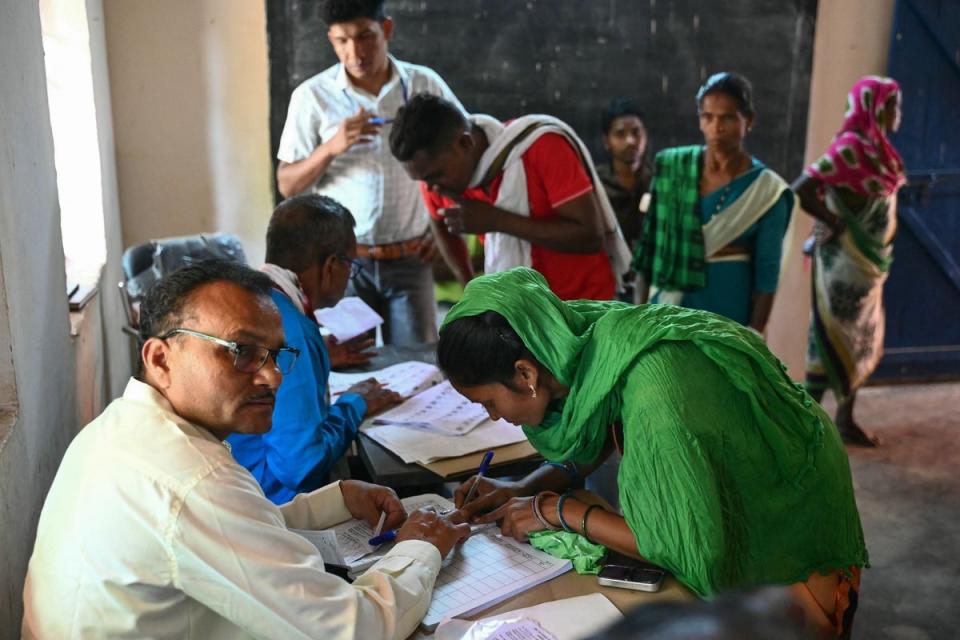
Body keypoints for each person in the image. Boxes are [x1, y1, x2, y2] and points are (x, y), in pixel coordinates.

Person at [22, 260, 469, 639]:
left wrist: (337, 498)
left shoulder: (120, 426)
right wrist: (420, 548)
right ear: (160, 359)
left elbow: (233, 527)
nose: (273, 376)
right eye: (241, 351)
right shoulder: (192, 479)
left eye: (275, 355)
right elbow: (351, 629)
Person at [439, 267, 868, 638]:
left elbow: (679, 547)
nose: (492, 417)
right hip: (760, 464)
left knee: (787, 627)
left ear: (525, 373)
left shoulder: (654, 391)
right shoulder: (578, 340)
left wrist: (557, 510)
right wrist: (525, 486)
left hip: (787, 512)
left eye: (488, 403)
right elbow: (603, 425)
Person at [275, 0, 466, 345]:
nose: (355, 52)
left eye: (365, 37)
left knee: (417, 364)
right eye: (341, 41)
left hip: (410, 259)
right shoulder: (312, 97)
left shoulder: (424, 85)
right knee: (351, 364)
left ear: (386, 29)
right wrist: (331, 147)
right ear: (330, 40)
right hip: (343, 265)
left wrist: (439, 230)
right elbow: (287, 184)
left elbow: (464, 155)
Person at [228, 195, 401, 505]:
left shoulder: (256, 299)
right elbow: (299, 466)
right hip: (271, 504)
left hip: (234, 486)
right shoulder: (292, 331)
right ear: (332, 266)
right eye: (351, 264)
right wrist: (355, 404)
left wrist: (320, 356)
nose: (350, 275)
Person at [388, 93, 632, 301]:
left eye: (434, 176)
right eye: (422, 180)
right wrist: (469, 287)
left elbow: (590, 236)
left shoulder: (542, 146)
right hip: (519, 309)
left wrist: (496, 220)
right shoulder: (436, 178)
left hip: (584, 303)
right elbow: (439, 223)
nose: (430, 189)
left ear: (463, 144)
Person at [793, 76, 906, 447]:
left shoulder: (880, 153)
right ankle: (804, 424)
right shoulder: (849, 150)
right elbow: (803, 188)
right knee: (828, 335)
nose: (897, 112)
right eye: (892, 105)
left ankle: (843, 419)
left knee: (860, 337)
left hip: (869, 269)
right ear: (873, 108)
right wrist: (834, 221)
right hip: (842, 267)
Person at [634, 72, 793, 333]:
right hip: (665, 309)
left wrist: (754, 335)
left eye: (728, 118)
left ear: (748, 121)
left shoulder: (766, 190)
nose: (716, 127)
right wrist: (638, 318)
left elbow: (767, 272)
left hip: (726, 312)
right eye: (708, 117)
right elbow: (648, 251)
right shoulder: (673, 169)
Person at [597, 98, 652, 254]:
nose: (630, 141)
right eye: (620, 134)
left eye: (636, 132)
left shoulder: (659, 181)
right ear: (606, 141)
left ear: (645, 136)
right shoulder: (595, 183)